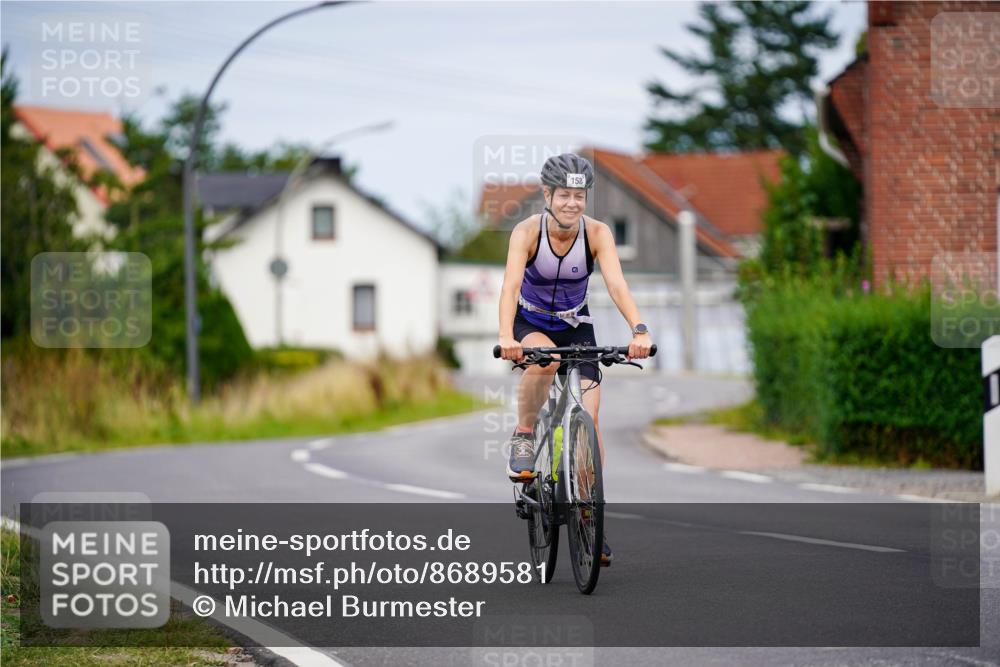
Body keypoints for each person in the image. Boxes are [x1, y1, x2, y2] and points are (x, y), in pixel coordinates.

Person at [497, 153, 653, 566]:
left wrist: (638, 329)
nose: (572, 203)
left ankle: (589, 513)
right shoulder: (527, 232)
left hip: (577, 326)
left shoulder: (597, 234)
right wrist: (504, 336)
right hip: (530, 323)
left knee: (590, 414)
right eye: (564, 194)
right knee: (545, 361)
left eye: (579, 195)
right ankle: (525, 433)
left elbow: (617, 283)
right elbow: (511, 285)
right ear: (547, 195)